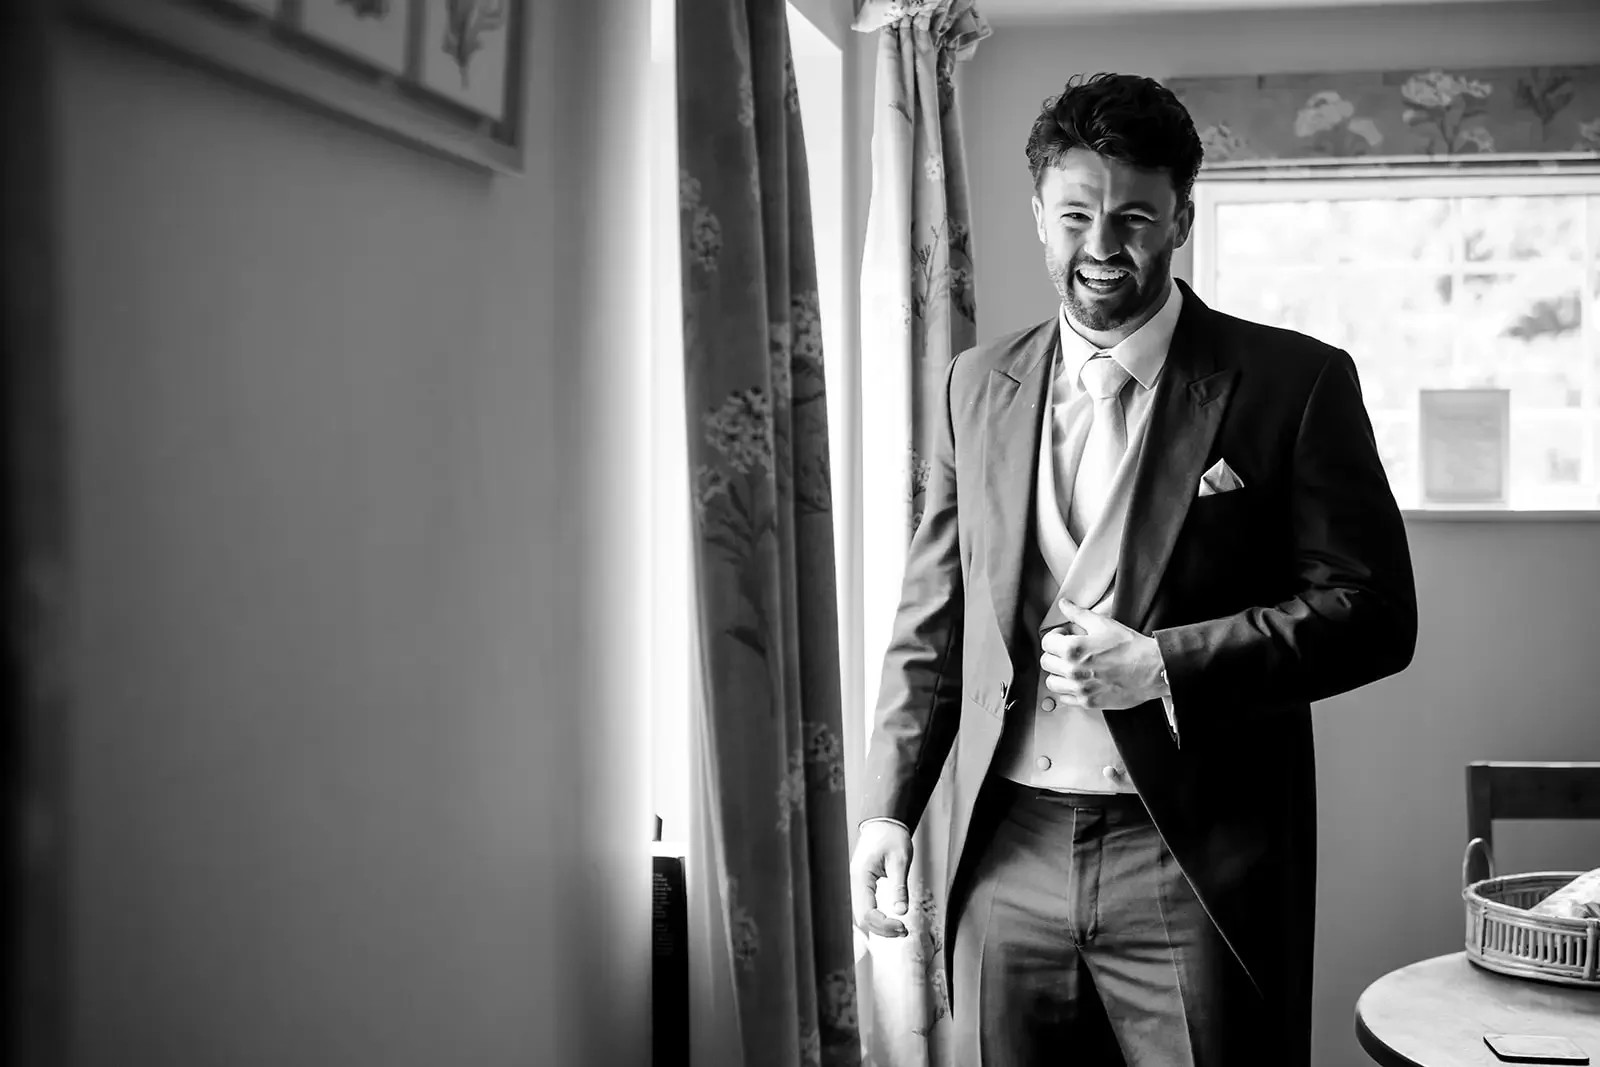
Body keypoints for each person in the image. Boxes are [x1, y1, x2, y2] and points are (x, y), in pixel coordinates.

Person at [849, 72, 1417, 1066]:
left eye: (1134, 218)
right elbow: (936, 613)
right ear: (1039, 215)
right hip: (1009, 846)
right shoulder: (976, 383)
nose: (1101, 245)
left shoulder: (1293, 381)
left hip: (1195, 853)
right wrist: (887, 804)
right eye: (1075, 215)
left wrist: (1161, 664)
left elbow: (1371, 611)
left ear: (1181, 219)